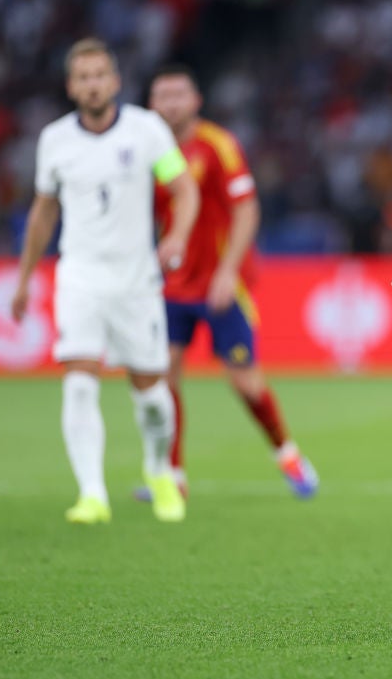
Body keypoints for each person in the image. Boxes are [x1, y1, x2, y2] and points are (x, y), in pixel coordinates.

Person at [10, 38, 200, 524]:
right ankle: (92, 494)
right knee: (78, 383)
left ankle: (158, 470)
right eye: (83, 77)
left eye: (100, 75)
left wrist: (177, 235)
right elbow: (43, 214)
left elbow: (184, 189)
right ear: (71, 87)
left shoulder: (146, 130)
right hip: (79, 276)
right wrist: (25, 278)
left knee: (152, 395)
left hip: (136, 280)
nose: (92, 85)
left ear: (115, 81)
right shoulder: (55, 140)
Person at [142, 64, 318, 500]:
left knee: (244, 382)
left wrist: (227, 271)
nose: (171, 104)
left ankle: (287, 454)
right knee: (163, 378)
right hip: (170, 286)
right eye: (163, 96)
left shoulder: (217, 145)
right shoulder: (146, 150)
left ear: (196, 100)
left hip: (219, 284)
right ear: (151, 103)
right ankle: (171, 476)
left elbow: (246, 209)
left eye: (179, 94)